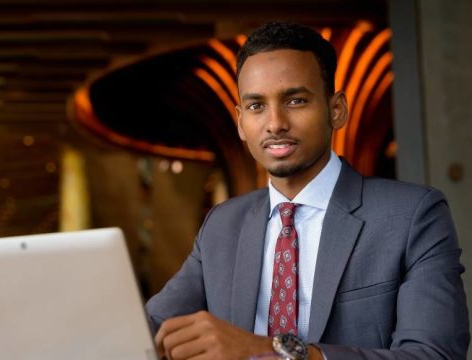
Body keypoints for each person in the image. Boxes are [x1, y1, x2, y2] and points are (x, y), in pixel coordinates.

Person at [145, 22, 470, 360]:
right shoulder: (222, 225)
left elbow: (436, 354)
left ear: (336, 109)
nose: (275, 123)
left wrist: (272, 351)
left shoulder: (412, 216)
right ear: (240, 122)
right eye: (256, 106)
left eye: (296, 100)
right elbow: (149, 327)